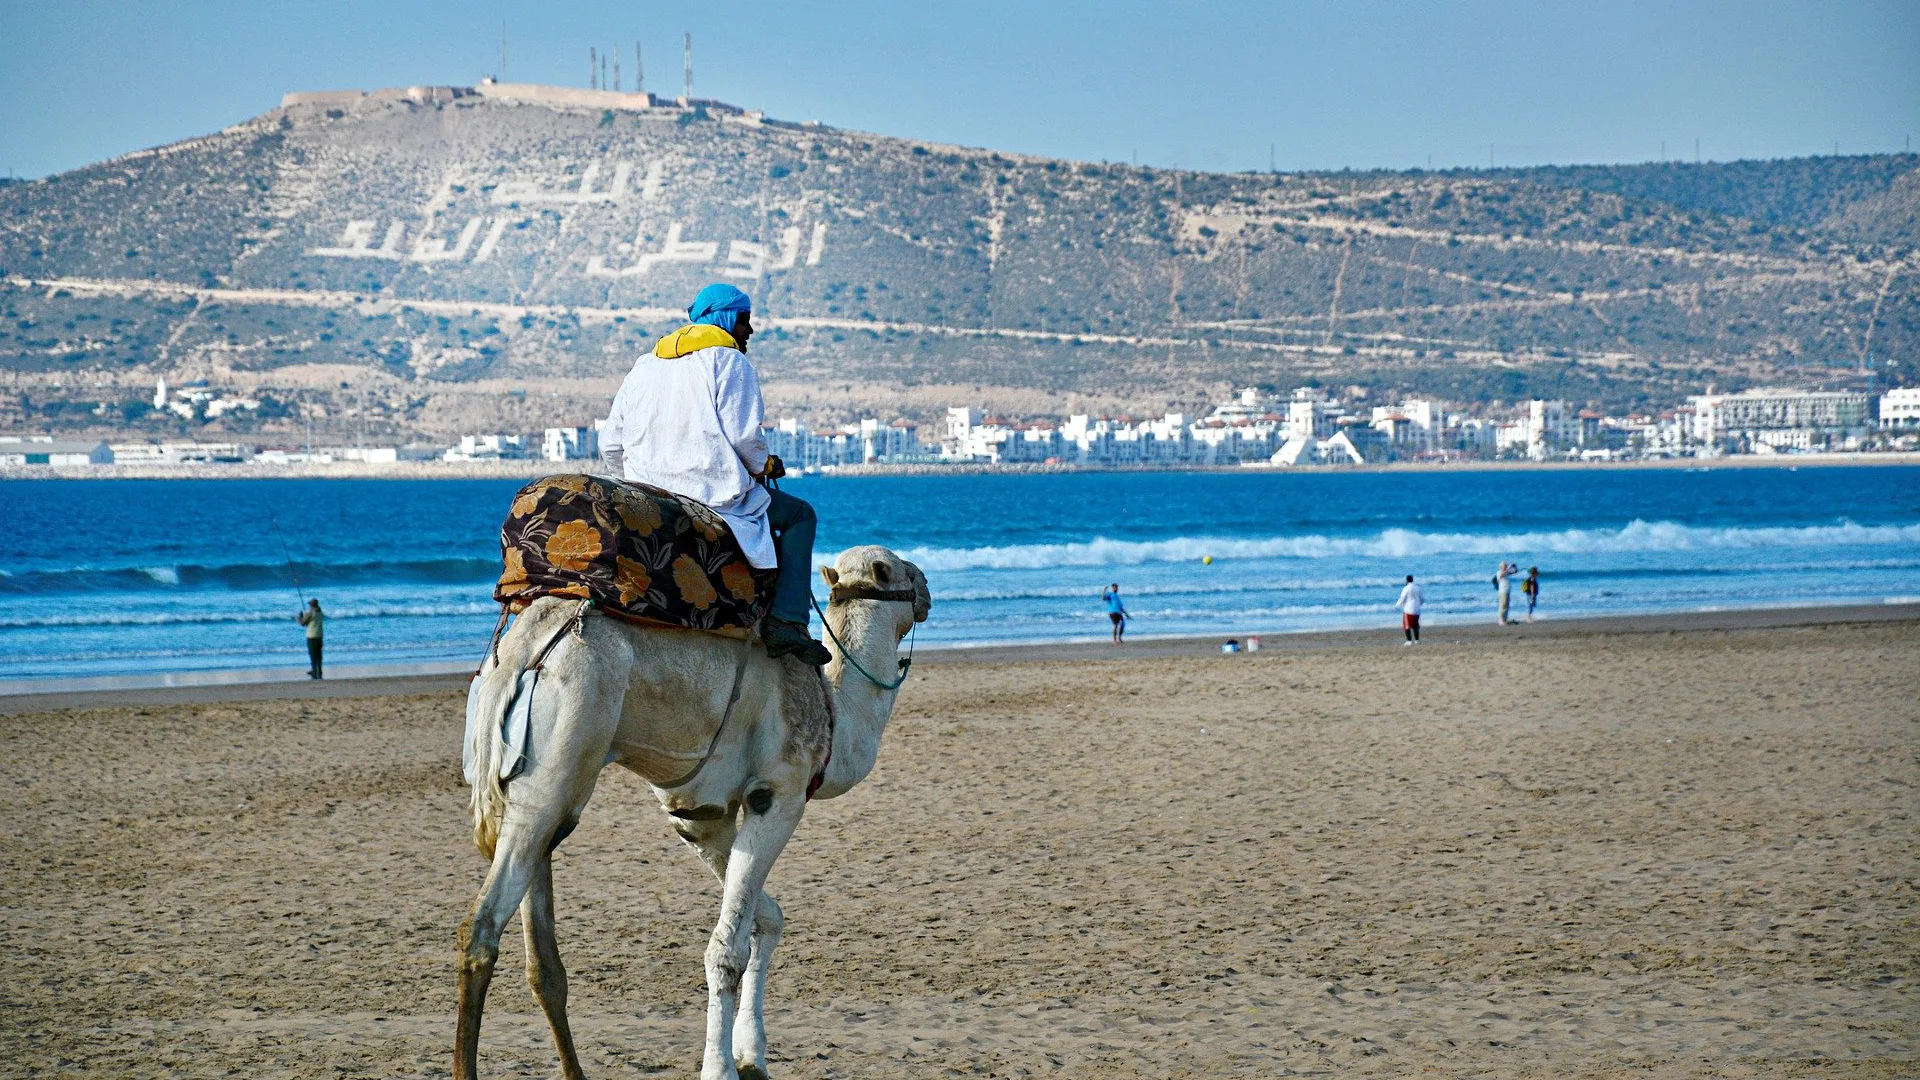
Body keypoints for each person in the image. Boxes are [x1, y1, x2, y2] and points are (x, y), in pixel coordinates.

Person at [600, 284, 831, 666]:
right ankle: (788, 622)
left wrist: (633, 488)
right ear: (725, 318)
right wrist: (764, 465)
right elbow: (744, 436)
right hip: (710, 494)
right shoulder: (729, 361)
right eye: (745, 320)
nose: (749, 331)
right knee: (800, 515)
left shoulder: (644, 365)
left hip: (648, 496)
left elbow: (611, 444)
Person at [296, 598, 324, 679]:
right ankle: (319, 670)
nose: (309, 606)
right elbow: (310, 622)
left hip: (311, 636)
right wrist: (305, 616)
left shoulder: (310, 613)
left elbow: (302, 623)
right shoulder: (320, 612)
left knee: (312, 654)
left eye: (309, 604)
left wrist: (298, 617)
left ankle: (314, 670)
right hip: (320, 635)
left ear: (312, 605)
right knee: (318, 654)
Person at [1394, 574, 1424, 645]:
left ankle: (1409, 640)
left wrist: (1397, 605)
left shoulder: (1406, 588)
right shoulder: (1418, 587)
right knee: (1415, 625)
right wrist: (1419, 604)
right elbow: (1422, 599)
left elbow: (1402, 598)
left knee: (1407, 625)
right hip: (1417, 609)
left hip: (1408, 609)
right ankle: (1417, 640)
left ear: (1407, 580)